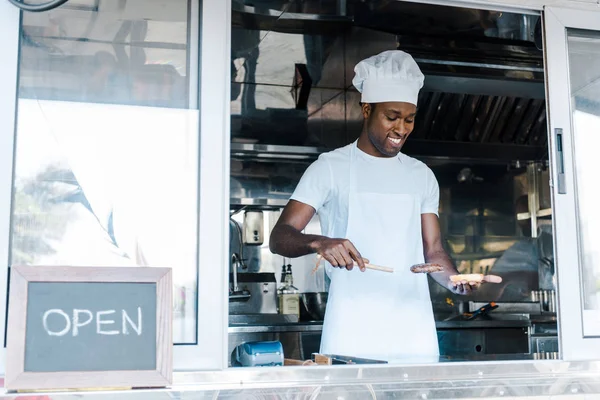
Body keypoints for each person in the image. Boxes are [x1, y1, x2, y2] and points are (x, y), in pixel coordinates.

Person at [269, 50, 481, 363]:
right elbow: (280, 237)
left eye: (409, 119)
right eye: (392, 117)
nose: (401, 129)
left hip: (413, 327)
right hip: (351, 328)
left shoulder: (421, 175)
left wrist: (455, 282)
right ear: (367, 108)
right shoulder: (330, 167)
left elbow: (433, 250)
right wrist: (319, 242)